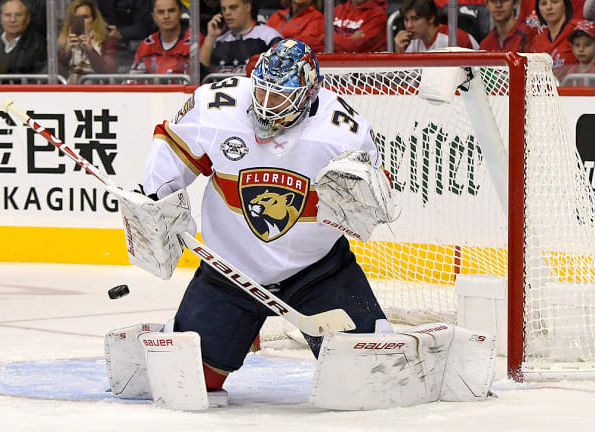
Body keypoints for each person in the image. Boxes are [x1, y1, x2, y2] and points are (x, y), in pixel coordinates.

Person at [104, 38, 496, 410]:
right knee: (192, 380)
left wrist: (362, 197)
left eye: (279, 97)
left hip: (317, 271)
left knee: (370, 378)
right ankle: (194, 330)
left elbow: (372, 205)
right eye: (262, 92)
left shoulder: (342, 132)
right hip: (230, 270)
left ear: (308, 94)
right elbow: (172, 147)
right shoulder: (217, 106)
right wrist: (154, 198)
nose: (266, 105)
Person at [200, 0, 282, 75]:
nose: (227, 13)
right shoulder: (216, 40)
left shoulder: (269, 36)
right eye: (223, 9)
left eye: (233, 7)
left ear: (248, 7)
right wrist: (211, 36)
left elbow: (279, 73)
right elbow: (201, 73)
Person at [0, 0, 46, 75]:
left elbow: (40, 79)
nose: (13, 20)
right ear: (1, 19)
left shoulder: (39, 46)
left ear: (27, 19)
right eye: (7, 15)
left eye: (18, 15)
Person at [130, 0, 204, 75]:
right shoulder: (147, 45)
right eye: (161, 12)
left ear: (180, 13)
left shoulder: (194, 40)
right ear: (154, 16)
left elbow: (196, 76)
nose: (166, 16)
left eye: (171, 11)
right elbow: (134, 79)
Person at [58, 0, 118, 82]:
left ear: (94, 20)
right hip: (71, 88)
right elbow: (54, 76)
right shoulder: (62, 41)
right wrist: (66, 53)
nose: (81, 21)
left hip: (96, 88)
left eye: (85, 17)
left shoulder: (106, 41)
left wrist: (91, 50)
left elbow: (109, 72)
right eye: (76, 18)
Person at [394, 0, 479, 52]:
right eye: (406, 20)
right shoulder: (414, 40)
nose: (409, 26)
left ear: (431, 18)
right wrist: (399, 52)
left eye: (415, 19)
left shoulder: (457, 39)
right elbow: (408, 75)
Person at [530, 0, 580, 72]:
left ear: (565, 5)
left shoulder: (578, 31)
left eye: (555, 2)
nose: (549, 7)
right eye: (543, 4)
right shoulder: (537, 41)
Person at [559, 20, 595, 84]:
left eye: (587, 45)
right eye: (577, 45)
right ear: (572, 47)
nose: (581, 49)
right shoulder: (570, 71)